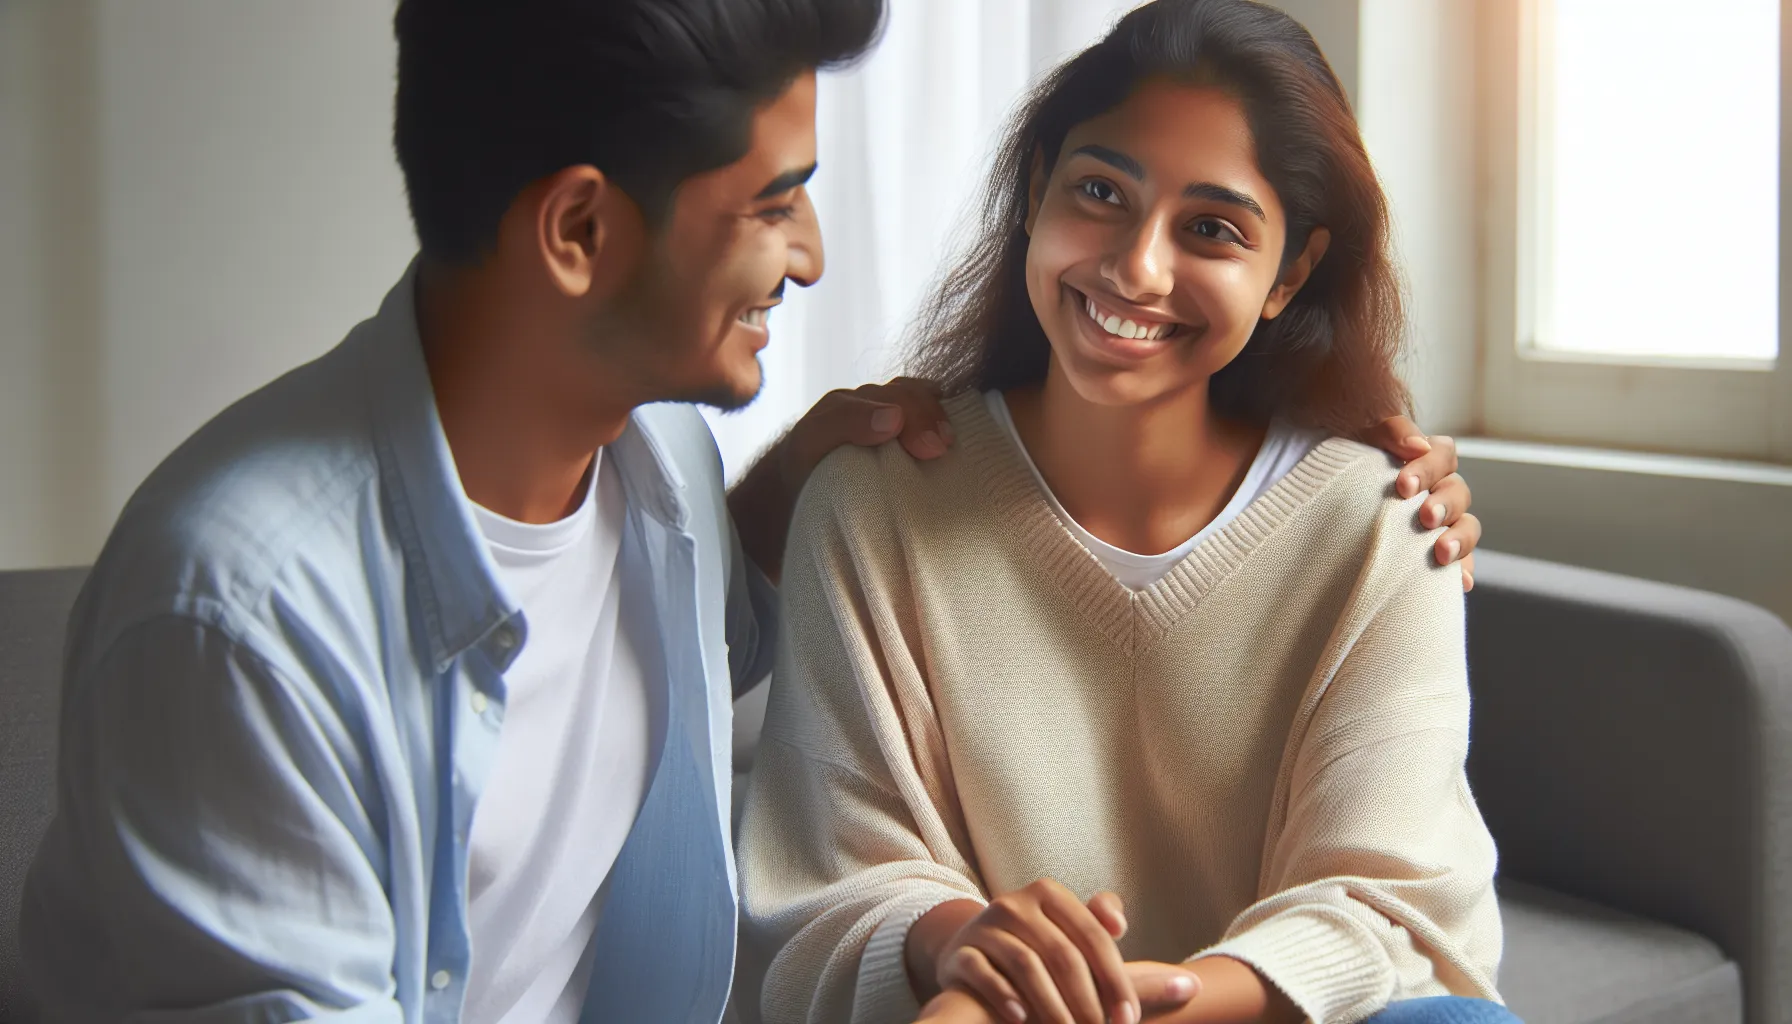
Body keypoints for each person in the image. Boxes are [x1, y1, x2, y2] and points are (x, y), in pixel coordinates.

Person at [19, 1, 1480, 1022]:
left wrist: (1351, 468)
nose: (815, 254)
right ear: (582, 231)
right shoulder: (235, 617)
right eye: (775, 200)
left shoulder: (653, 461)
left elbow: (742, 611)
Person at [734, 2, 1515, 1024]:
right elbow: (832, 890)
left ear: (1289, 273)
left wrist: (1123, 1013)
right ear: (1033, 190)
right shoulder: (872, 502)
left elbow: (1388, 907)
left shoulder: (1378, 523)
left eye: (1211, 229)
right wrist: (970, 950)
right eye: (1100, 192)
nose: (1136, 268)